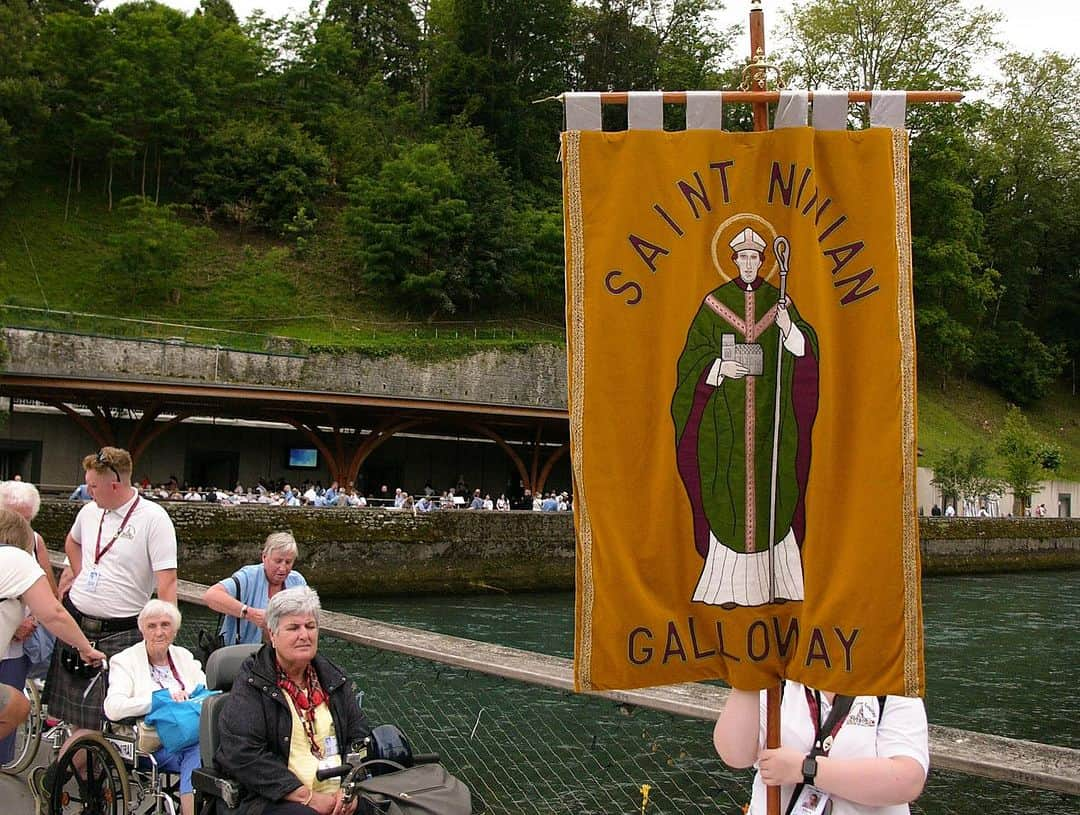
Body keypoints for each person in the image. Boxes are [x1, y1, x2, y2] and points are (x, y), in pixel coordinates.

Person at [672, 225, 819, 609]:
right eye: (744, 257)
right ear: (734, 261)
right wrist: (719, 368)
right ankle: (728, 589)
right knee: (726, 495)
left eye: (756, 257)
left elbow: (806, 353)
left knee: (777, 492)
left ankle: (777, 584)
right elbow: (691, 363)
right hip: (725, 429)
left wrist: (789, 330)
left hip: (773, 425)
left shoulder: (779, 303)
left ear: (763, 262)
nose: (750, 264)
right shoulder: (713, 305)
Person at [42, 446, 177, 769]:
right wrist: (80, 572)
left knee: (96, 725)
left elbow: (167, 582)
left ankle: (54, 784)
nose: (88, 492)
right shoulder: (89, 513)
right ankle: (87, 788)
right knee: (81, 725)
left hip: (123, 632)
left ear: (114, 484)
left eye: (93, 486)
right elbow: (72, 542)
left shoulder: (153, 519)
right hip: (77, 625)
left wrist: (165, 636)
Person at [215, 586, 371, 815]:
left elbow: (359, 736)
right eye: (293, 628)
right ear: (272, 634)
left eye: (310, 626)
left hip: (338, 791)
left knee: (386, 805)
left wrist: (348, 790)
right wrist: (306, 797)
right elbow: (243, 753)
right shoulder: (252, 682)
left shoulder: (334, 679)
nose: (304, 635)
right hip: (273, 798)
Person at [713, 681, 929, 815]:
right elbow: (735, 755)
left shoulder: (891, 686)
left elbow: (907, 780)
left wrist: (805, 769)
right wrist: (744, 674)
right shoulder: (778, 678)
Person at [0, 510, 105, 742]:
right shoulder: (16, 559)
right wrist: (85, 648)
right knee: (17, 707)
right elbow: (53, 613)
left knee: (15, 705)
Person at [104, 600, 205, 815]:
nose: (159, 632)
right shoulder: (124, 661)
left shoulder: (184, 657)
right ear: (142, 630)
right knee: (199, 752)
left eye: (165, 625)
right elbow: (113, 708)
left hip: (190, 733)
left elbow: (205, 690)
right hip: (149, 742)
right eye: (152, 626)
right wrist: (160, 699)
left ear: (175, 629)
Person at [0, 481, 62, 762]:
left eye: (25, 518)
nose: (19, 524)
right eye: (13, 515)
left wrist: (32, 619)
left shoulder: (34, 542)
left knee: (10, 712)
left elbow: (49, 590)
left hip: (15, 648)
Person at [203, 532, 307, 646]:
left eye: (288, 562)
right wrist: (249, 613)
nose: (283, 568)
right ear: (264, 557)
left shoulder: (298, 582)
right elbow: (211, 595)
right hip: (239, 654)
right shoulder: (248, 576)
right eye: (278, 561)